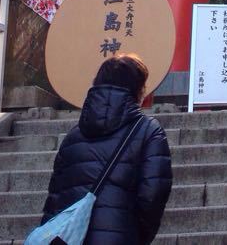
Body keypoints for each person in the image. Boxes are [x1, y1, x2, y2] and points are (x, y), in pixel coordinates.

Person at [40, 54, 171, 245]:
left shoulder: (73, 137)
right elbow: (152, 196)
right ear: (137, 89)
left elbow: (54, 202)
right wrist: (135, 235)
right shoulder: (148, 131)